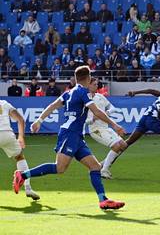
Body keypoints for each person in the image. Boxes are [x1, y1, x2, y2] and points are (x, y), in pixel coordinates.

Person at [13, 66, 126, 209]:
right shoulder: (83, 92)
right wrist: (115, 125)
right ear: (88, 77)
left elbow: (54, 105)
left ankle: (103, 200)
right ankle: (22, 176)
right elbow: (96, 111)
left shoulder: (69, 92)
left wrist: (39, 120)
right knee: (60, 168)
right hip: (70, 133)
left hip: (77, 136)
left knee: (95, 167)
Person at [85, 78, 128, 179]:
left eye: (97, 84)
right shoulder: (85, 99)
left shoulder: (100, 97)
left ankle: (100, 166)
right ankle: (104, 170)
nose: (97, 86)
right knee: (116, 146)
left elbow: (112, 108)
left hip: (106, 128)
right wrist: (92, 119)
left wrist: (107, 113)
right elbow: (83, 120)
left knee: (123, 145)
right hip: (96, 129)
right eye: (94, 84)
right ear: (89, 85)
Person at [0, 99, 40, 200]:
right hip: (7, 135)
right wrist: (21, 137)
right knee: (20, 157)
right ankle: (28, 188)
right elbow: (21, 119)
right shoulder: (4, 103)